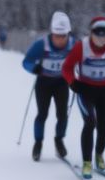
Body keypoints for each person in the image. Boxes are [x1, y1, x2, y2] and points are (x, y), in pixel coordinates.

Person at [61, 15, 105, 179]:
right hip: (85, 89)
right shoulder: (82, 46)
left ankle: (99, 156)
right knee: (90, 123)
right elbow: (66, 68)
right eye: (98, 35)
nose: (101, 39)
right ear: (91, 33)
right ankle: (87, 163)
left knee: (103, 126)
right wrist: (73, 82)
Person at [21, 11, 75, 160]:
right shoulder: (41, 44)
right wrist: (35, 68)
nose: (60, 39)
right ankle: (38, 143)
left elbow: (83, 57)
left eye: (63, 36)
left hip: (61, 83)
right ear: (52, 33)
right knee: (42, 114)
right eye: (56, 35)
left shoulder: (73, 44)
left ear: (68, 34)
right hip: (44, 83)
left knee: (62, 114)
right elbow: (26, 62)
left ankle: (59, 140)